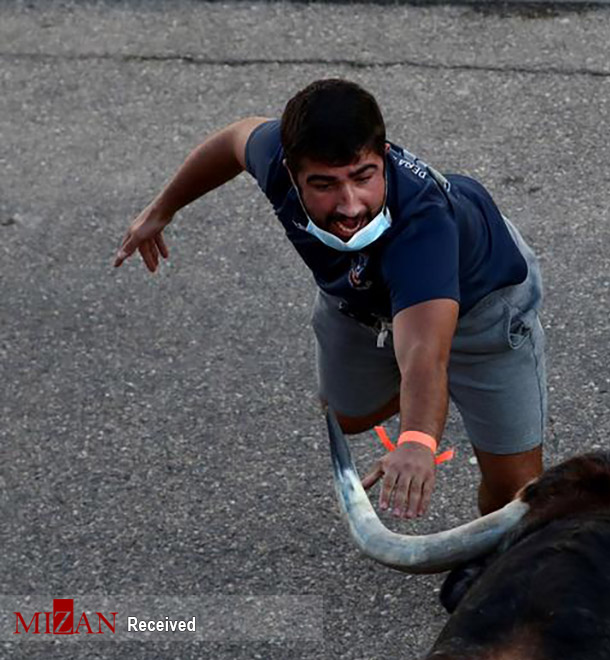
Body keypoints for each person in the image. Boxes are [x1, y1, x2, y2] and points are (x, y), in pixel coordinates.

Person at [113, 78, 546, 521]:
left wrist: (416, 441)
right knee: (347, 416)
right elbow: (233, 139)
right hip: (363, 300)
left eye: (363, 177)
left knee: (516, 494)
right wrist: (163, 207)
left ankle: (451, 406)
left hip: (483, 303)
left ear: (383, 158)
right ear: (290, 171)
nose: (349, 205)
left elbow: (423, 356)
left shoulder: (424, 229)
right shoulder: (272, 157)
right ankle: (432, 393)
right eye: (324, 184)